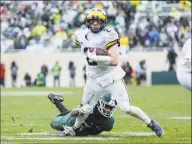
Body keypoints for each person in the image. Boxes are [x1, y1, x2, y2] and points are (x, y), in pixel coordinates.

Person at [62, 8, 162, 137]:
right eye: (92, 21)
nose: (95, 23)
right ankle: (74, 128)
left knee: (126, 108)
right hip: (93, 78)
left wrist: (97, 58)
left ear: (103, 22)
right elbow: (77, 40)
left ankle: (151, 123)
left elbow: (114, 60)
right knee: (85, 108)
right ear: (88, 22)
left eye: (98, 21)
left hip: (111, 77)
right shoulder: (81, 35)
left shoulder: (109, 34)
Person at [48, 93, 117, 136]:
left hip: (85, 125)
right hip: (74, 120)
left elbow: (92, 131)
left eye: (111, 108)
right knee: (53, 122)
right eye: (106, 106)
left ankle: (55, 100)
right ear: (99, 103)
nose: (108, 110)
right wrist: (79, 111)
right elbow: (73, 113)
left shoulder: (109, 123)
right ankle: (55, 100)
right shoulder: (89, 108)